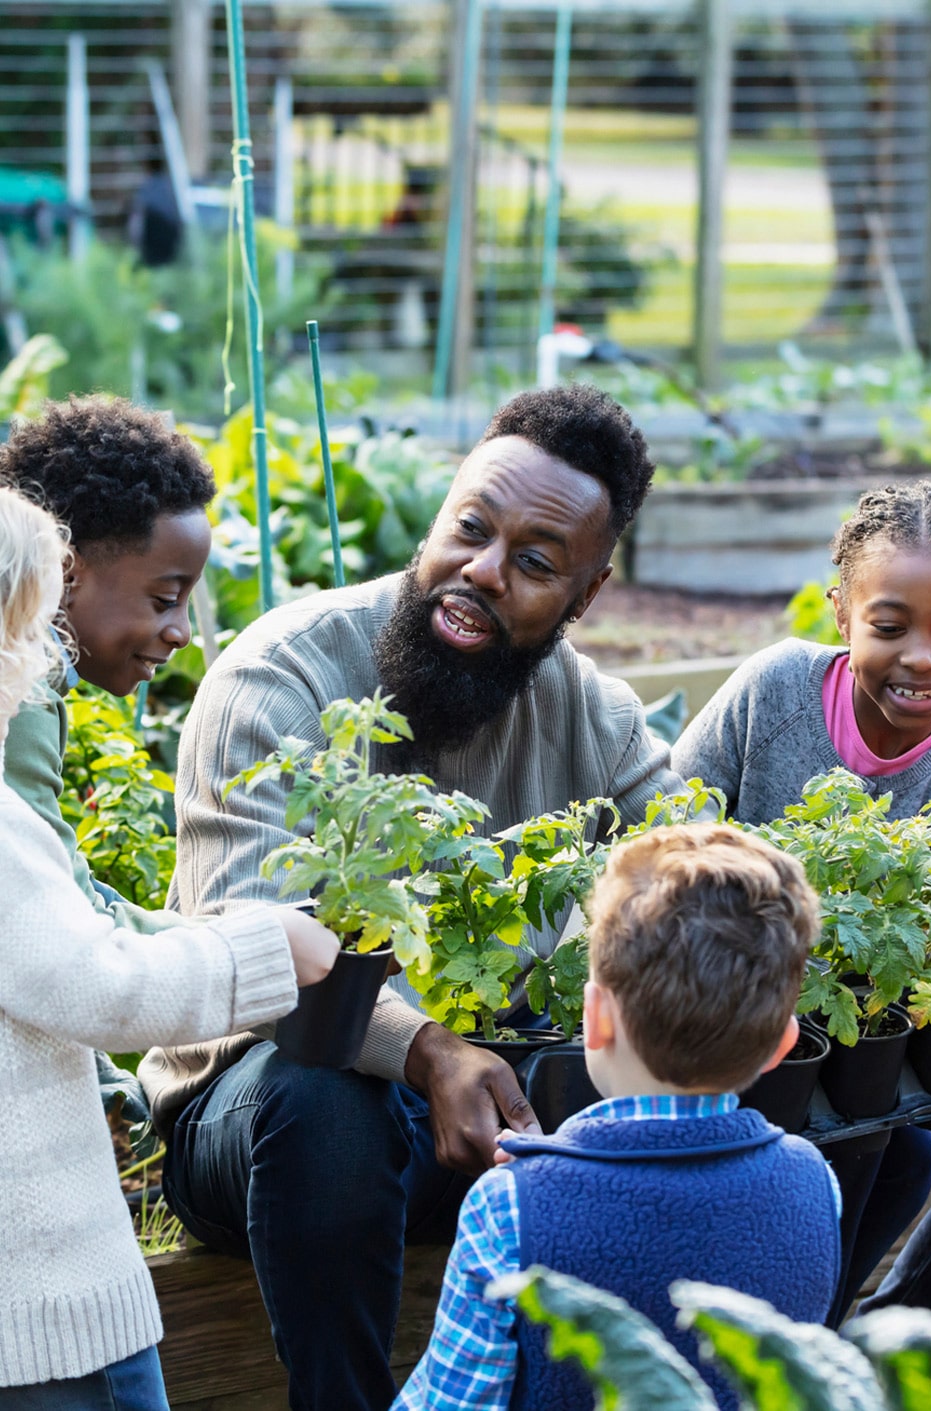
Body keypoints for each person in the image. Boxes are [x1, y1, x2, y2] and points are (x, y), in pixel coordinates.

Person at [138, 383, 701, 1411]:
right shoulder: (279, 677)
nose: (479, 574)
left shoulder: (596, 721)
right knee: (321, 1092)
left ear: (584, 597)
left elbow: (697, 887)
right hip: (251, 1117)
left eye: (533, 564)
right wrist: (427, 1049)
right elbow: (252, 960)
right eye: (469, 530)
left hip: (487, 1113)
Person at [0, 484, 340, 1411]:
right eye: (33, 634)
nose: (43, 671)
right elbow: (91, 978)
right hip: (46, 1314)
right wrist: (261, 946)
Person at [671, 478, 931, 1327]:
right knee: (890, 1149)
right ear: (841, 613)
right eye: (888, 626)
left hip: (883, 1028)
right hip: (731, 1011)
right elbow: (663, 830)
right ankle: (793, 1342)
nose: (920, 657)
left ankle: (876, 1340)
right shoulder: (772, 693)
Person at [393, 823, 842, 1411]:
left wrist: (531, 1192)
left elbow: (451, 1402)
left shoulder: (505, 1208)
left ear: (594, 1017)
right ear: (782, 1045)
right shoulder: (817, 1182)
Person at [0, 394, 214, 931]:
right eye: (165, 599)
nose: (183, 633)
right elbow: (62, 919)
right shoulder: (18, 694)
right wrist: (238, 947)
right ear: (66, 574)